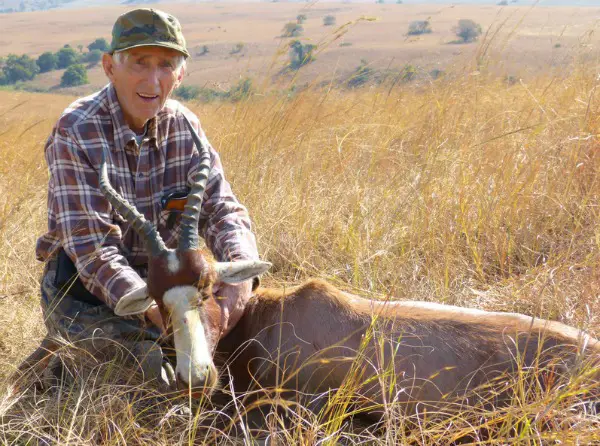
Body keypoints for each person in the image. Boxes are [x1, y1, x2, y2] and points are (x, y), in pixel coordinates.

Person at [34, 8, 260, 387]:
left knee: (254, 349)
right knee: (152, 379)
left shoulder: (185, 126)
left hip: (174, 290)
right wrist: (160, 311)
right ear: (110, 67)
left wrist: (239, 276)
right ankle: (58, 364)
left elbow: (222, 210)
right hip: (93, 292)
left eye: (166, 65)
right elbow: (93, 250)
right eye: (140, 63)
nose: (153, 80)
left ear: (181, 74)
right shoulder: (77, 130)